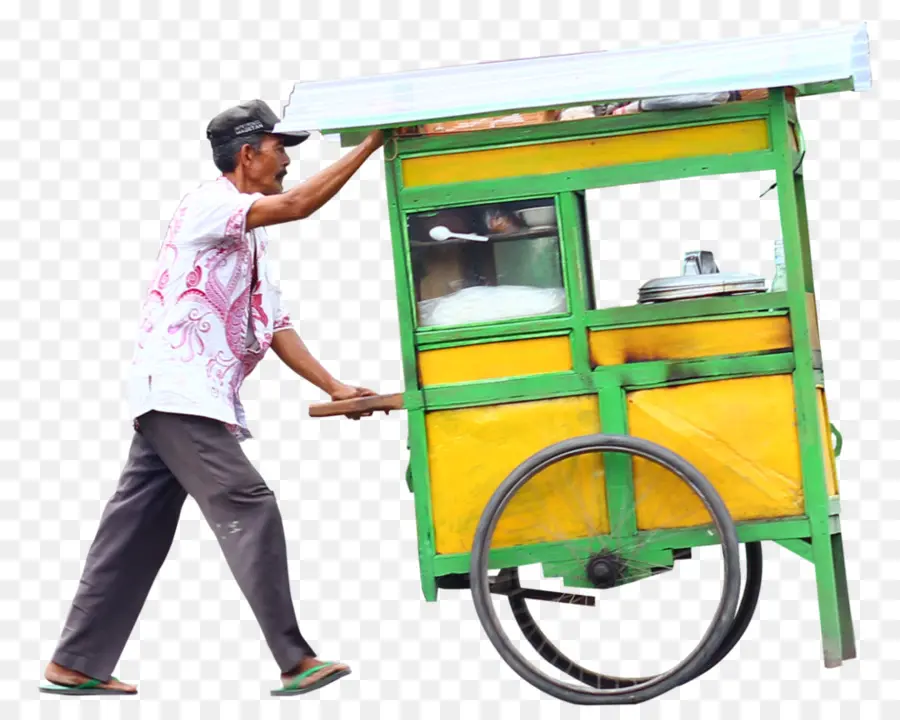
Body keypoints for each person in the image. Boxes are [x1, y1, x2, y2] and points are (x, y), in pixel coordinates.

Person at [40, 99, 385, 697]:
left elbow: (273, 325)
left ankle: (76, 661)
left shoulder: (250, 236)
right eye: (281, 149)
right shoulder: (210, 205)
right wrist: (372, 144)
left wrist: (335, 386)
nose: (287, 162)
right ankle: (295, 659)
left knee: (135, 528)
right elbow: (298, 205)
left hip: (181, 395)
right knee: (249, 503)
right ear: (248, 154)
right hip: (180, 391)